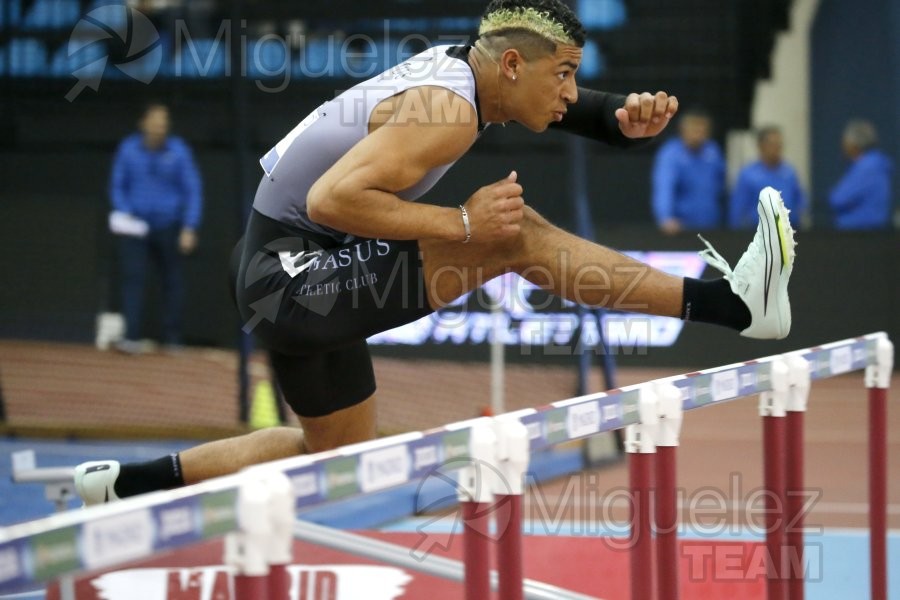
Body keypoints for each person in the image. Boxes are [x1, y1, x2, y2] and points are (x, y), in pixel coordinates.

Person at [74, 0, 795, 504]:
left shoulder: (470, 75)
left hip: (286, 270)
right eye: (566, 74)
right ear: (512, 62)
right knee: (513, 236)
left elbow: (545, 97)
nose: (571, 90)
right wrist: (458, 219)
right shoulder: (447, 108)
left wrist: (616, 118)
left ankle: (128, 485)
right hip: (288, 276)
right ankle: (731, 305)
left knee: (329, 451)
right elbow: (329, 200)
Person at [109, 103, 203, 353]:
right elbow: (117, 186)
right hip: (135, 227)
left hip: (168, 225)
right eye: (155, 121)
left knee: (172, 281)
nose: (160, 126)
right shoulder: (128, 150)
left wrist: (189, 227)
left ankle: (172, 338)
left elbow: (192, 190)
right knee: (133, 279)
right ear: (143, 123)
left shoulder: (179, 151)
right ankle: (131, 337)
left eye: (164, 121)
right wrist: (125, 212)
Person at [651, 108, 726, 234]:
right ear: (683, 129)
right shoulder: (670, 154)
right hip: (681, 227)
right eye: (694, 128)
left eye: (702, 128)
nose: (698, 133)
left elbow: (721, 184)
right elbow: (664, 187)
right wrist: (665, 218)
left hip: (711, 225)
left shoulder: (713, 151)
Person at [729, 126, 805, 229]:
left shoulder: (789, 172)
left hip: (787, 233)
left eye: (779, 144)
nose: (777, 148)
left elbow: (800, 201)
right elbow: (738, 209)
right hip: (757, 233)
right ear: (761, 146)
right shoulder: (748, 174)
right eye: (772, 144)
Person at [828, 119, 893, 230]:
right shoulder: (877, 163)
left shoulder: (867, 167)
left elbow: (838, 199)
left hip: (859, 234)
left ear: (853, 144)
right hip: (877, 231)